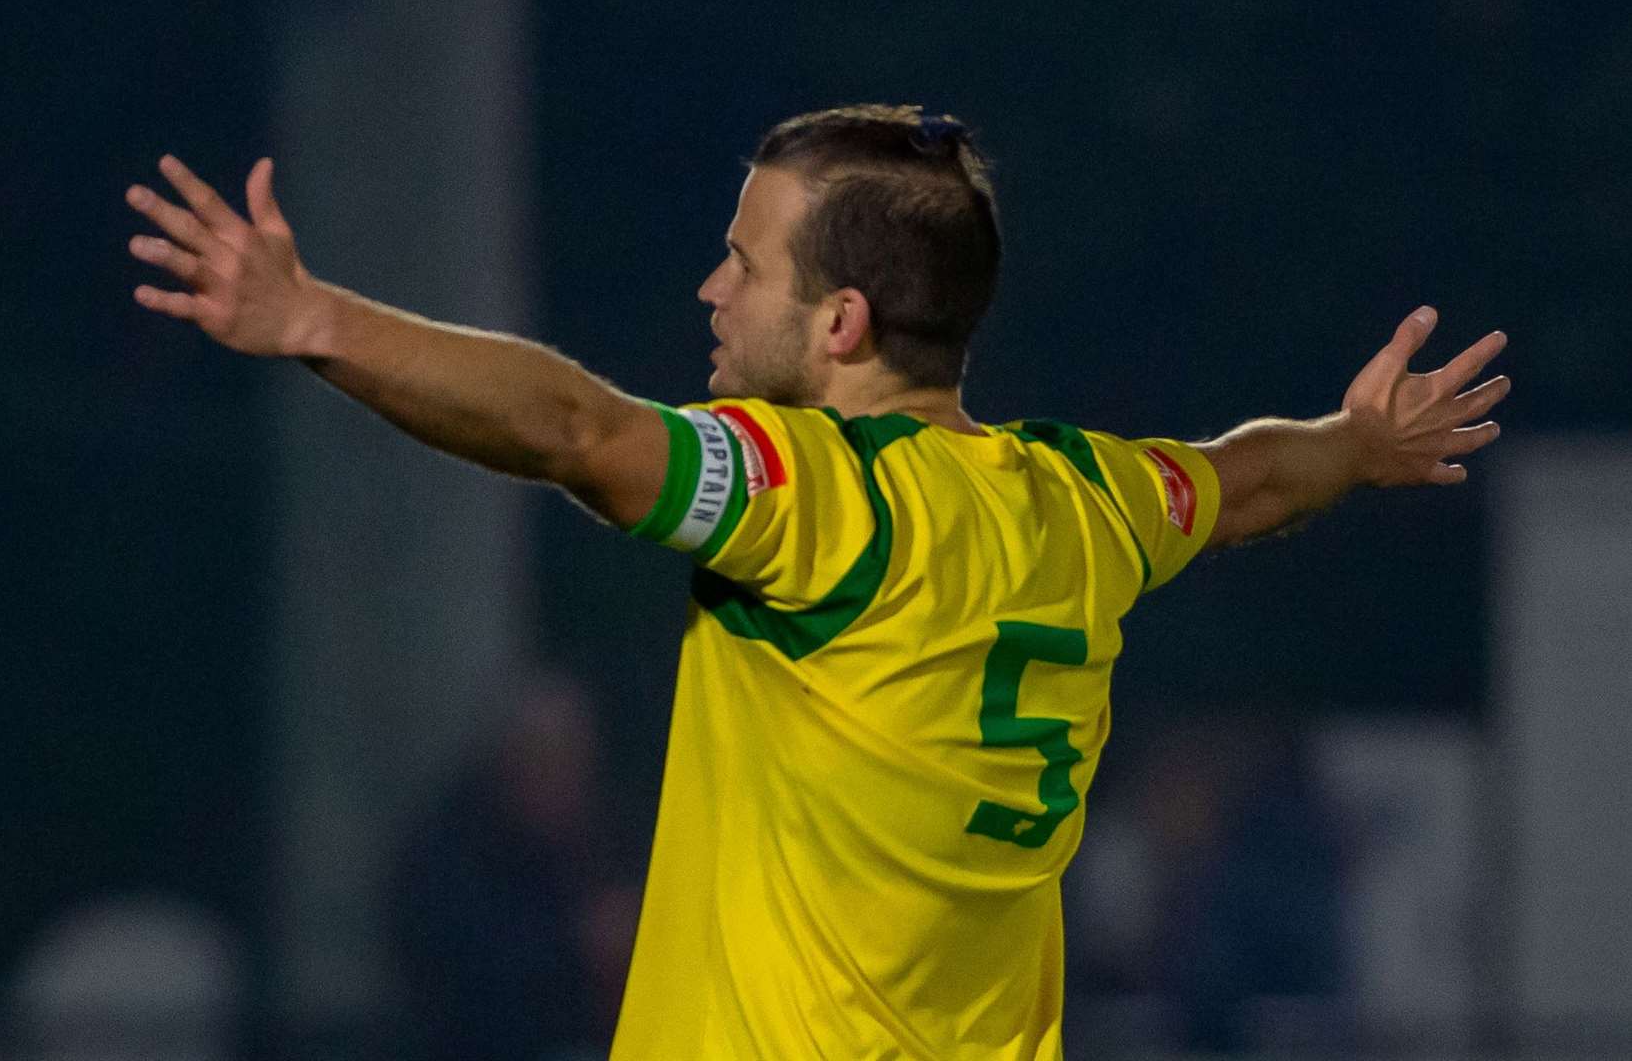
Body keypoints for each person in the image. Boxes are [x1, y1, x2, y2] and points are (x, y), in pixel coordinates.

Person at [123, 104, 1508, 1060]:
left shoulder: (823, 504)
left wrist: (315, 318)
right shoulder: (1088, 502)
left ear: (840, 322)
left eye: (744, 262)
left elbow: (578, 431)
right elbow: (1249, 477)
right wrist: (1357, 445)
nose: (714, 291)